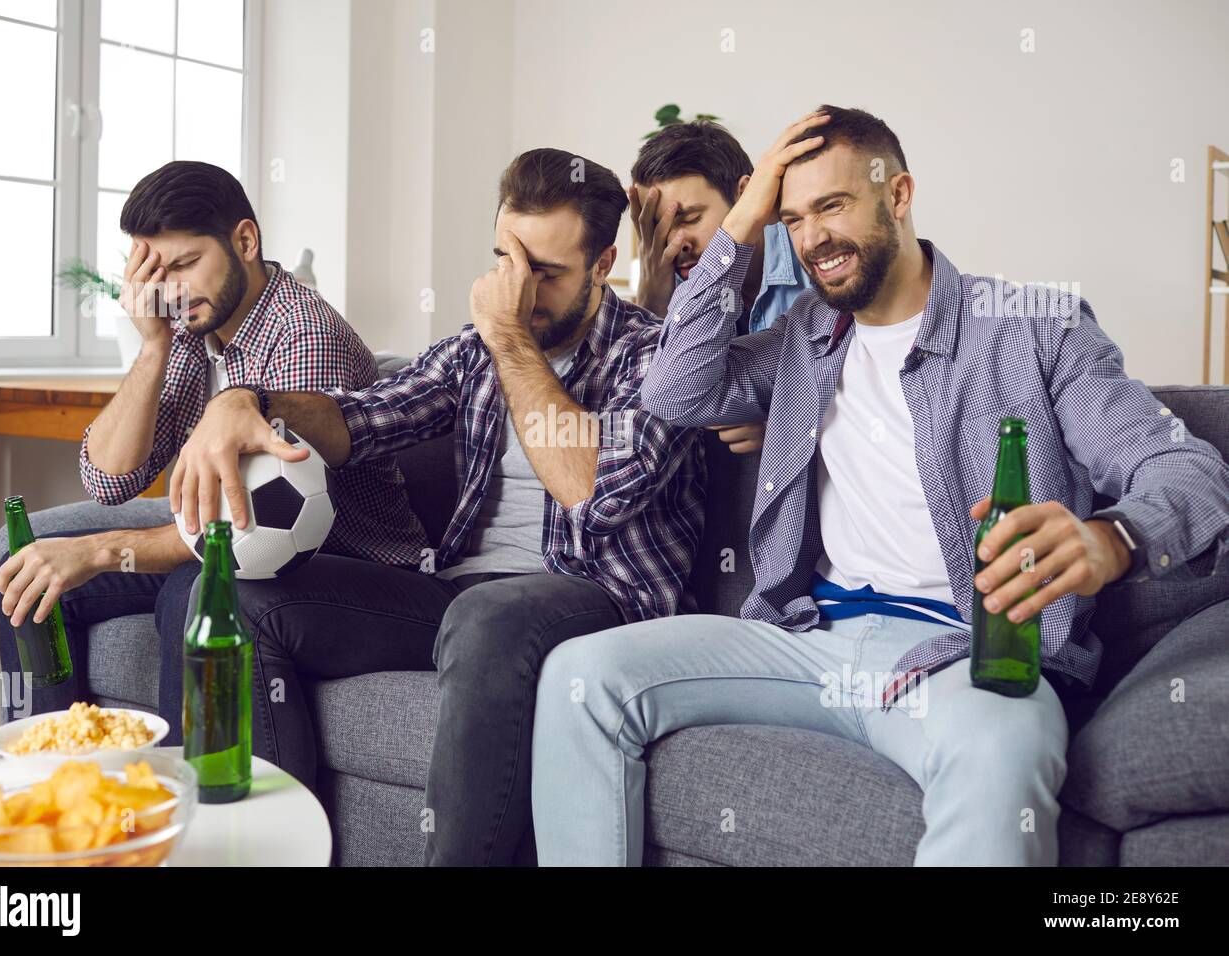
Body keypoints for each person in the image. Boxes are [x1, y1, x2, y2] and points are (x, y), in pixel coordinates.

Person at [529, 106, 1229, 866]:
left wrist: (1113, 537)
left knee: (1001, 750)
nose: (814, 239)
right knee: (582, 677)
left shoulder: (1034, 326)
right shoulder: (805, 334)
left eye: (833, 206)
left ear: (898, 195)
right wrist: (743, 219)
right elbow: (673, 391)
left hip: (963, 652)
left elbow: (1183, 467)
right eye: (793, 218)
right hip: (807, 643)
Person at [166, 149, 707, 866]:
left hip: (599, 598)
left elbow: (591, 489)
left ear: (604, 263)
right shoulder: (472, 353)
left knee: (487, 618)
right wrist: (249, 400)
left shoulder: (654, 357)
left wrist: (509, 337)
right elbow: (361, 420)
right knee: (227, 593)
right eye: (505, 262)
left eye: (544, 273)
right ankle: (269, 855)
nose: (520, 291)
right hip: (458, 597)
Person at [0, 160, 427, 734]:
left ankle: (184, 800)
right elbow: (109, 480)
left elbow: (246, 524)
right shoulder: (192, 331)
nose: (171, 289)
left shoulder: (304, 334)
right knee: (27, 558)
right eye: (155, 272)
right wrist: (151, 347)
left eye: (185, 264)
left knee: (192, 589)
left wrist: (99, 551)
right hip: (235, 534)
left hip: (338, 560)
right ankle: (60, 773)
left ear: (244, 240)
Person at [630, 120, 810, 456]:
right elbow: (651, 415)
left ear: (745, 195)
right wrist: (654, 300)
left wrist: (787, 426)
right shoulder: (676, 280)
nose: (674, 242)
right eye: (659, 226)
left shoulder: (813, 262)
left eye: (689, 218)